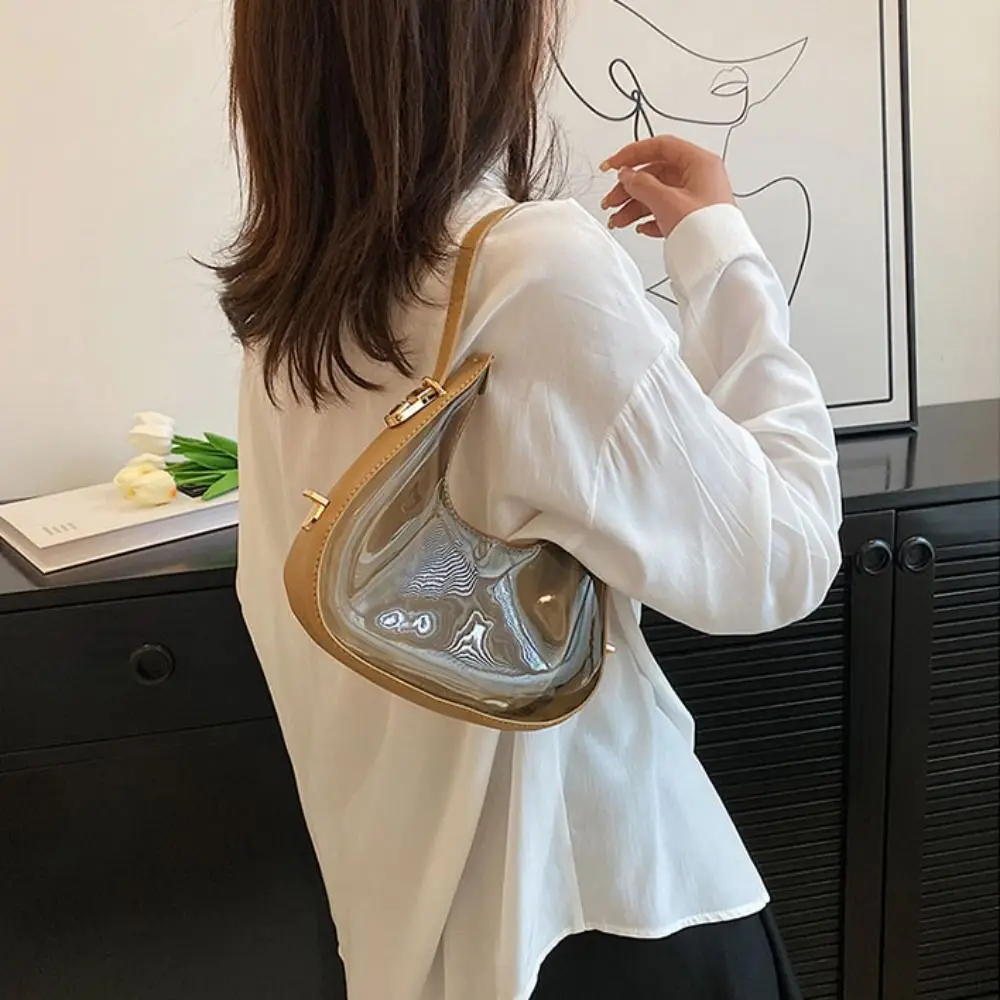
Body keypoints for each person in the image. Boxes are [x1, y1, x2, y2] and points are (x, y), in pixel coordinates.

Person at [221, 2, 843, 999]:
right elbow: (780, 559)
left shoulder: (286, 313)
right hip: (601, 912)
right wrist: (724, 254)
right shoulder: (530, 268)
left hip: (418, 942)